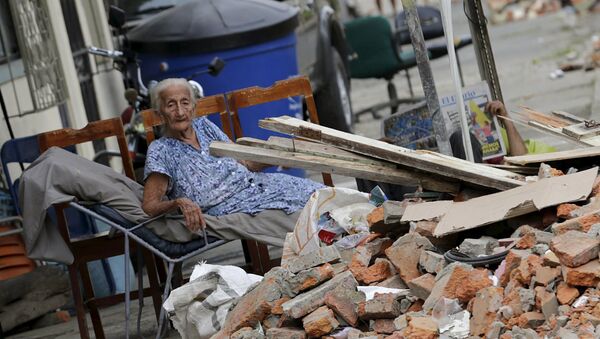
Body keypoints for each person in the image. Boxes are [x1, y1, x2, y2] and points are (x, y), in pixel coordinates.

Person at [142, 78, 325, 246]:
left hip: (259, 186)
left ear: (193, 106)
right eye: (171, 105)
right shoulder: (160, 150)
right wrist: (178, 203)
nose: (180, 112)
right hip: (234, 206)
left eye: (185, 102)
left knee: (321, 197)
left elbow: (242, 162)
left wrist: (277, 157)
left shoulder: (203, 126)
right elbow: (150, 206)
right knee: (306, 219)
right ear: (160, 113)